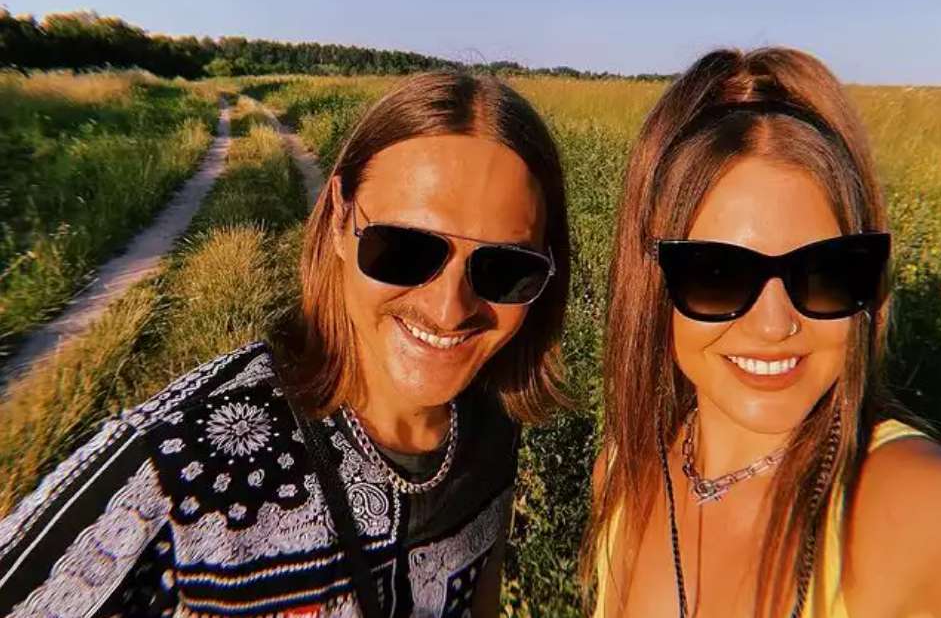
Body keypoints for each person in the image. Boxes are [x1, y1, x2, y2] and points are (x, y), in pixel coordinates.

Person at [0, 72, 571, 617]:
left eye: (504, 268)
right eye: (404, 249)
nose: (450, 310)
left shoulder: (494, 418)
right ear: (339, 221)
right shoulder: (177, 461)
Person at [585, 48, 941, 617]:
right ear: (652, 282)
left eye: (826, 272)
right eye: (717, 274)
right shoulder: (623, 473)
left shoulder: (914, 510)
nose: (775, 325)